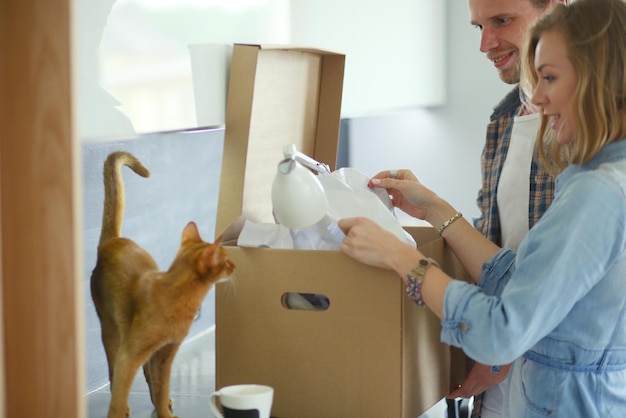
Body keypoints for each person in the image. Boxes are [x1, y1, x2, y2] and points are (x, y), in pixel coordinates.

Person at [338, 0, 626, 416]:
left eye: (549, 78)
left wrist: (399, 257)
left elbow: (503, 329)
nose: (539, 98)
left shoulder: (596, 192)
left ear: (599, 79)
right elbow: (526, 278)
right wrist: (436, 209)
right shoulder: (591, 170)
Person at [452, 1, 566, 416]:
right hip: (498, 387)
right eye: (479, 26)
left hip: (559, 383)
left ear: (555, 7)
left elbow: (571, 275)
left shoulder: (589, 128)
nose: (485, 43)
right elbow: (492, 242)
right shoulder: (502, 119)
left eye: (502, 21)